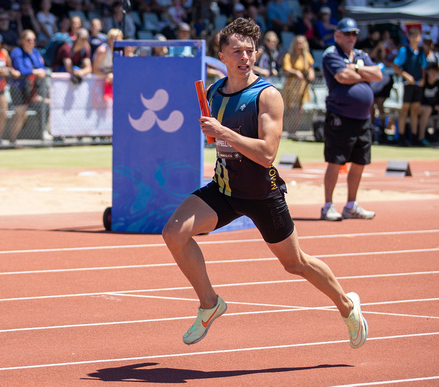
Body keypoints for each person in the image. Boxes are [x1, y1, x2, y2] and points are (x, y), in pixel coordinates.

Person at [161, 17, 368, 349]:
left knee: (295, 263)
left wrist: (223, 132)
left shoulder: (267, 95)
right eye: (237, 51)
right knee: (174, 233)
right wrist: (216, 137)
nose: (245, 57)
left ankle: (347, 306)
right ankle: (210, 303)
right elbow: (221, 143)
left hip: (262, 193)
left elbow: (268, 154)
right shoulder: (214, 92)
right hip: (225, 189)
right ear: (222, 56)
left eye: (250, 50)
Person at [320, 17, 382, 221]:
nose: (351, 37)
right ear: (337, 34)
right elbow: (342, 77)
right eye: (347, 33)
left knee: (359, 161)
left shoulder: (361, 54)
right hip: (340, 116)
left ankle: (351, 205)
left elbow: (378, 74)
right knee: (335, 161)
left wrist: (354, 69)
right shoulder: (332, 53)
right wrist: (363, 73)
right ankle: (328, 205)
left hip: (363, 118)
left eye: (354, 33)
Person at [9, 29, 46, 144]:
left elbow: (43, 69)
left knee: (24, 114)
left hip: (31, 88)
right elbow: (21, 69)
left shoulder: (35, 52)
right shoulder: (17, 52)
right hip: (18, 87)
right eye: (28, 40)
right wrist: (35, 71)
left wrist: (35, 71)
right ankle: (12, 141)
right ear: (22, 41)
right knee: (20, 113)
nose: (31, 42)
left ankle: (13, 140)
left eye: (33, 40)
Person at [393, 27, 426, 146]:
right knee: (404, 110)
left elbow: (423, 68)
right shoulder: (404, 50)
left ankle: (414, 137)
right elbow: (396, 67)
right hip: (407, 85)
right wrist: (406, 76)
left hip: (417, 85)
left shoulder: (421, 53)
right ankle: (401, 137)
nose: (415, 39)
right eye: (412, 36)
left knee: (415, 111)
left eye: (417, 36)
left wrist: (422, 80)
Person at [281, 34, 315, 137]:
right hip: (291, 85)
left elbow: (310, 67)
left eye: (301, 43)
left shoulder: (307, 55)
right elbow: (286, 68)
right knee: (289, 109)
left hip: (302, 86)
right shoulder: (289, 55)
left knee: (300, 109)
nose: (299, 46)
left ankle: (294, 130)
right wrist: (296, 72)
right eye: (298, 43)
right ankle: (289, 131)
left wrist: (311, 72)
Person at [417, 62, 439, 145]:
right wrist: (435, 106)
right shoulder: (423, 82)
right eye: (433, 71)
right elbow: (421, 99)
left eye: (437, 72)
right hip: (422, 107)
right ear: (427, 71)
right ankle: (421, 137)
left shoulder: (437, 83)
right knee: (427, 109)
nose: (435, 74)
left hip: (433, 107)